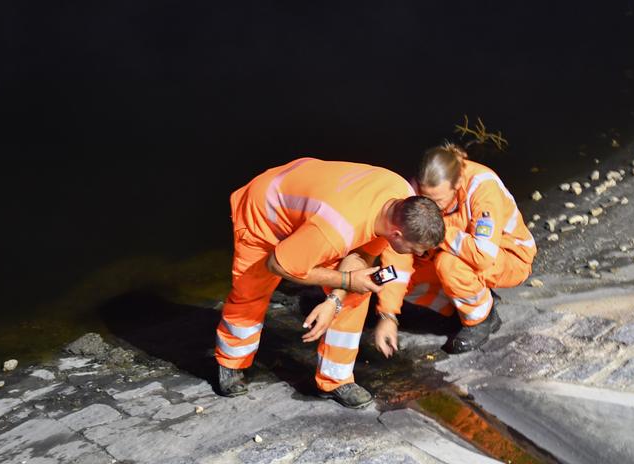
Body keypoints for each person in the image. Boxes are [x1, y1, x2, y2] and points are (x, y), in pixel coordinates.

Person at [215, 157, 445, 408]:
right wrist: (346, 279)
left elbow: (362, 255)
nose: (421, 256)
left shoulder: (400, 197)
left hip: (314, 207)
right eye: (418, 249)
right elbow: (277, 265)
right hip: (264, 211)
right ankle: (231, 362)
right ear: (397, 234)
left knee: (358, 292)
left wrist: (335, 299)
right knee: (251, 288)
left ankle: (335, 379)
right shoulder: (337, 228)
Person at [377, 143, 537, 354]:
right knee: (391, 278)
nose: (431, 208)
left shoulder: (482, 188)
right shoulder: (414, 192)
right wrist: (388, 314)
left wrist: (440, 232)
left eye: (438, 201)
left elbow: (482, 256)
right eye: (426, 200)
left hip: (509, 256)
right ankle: (459, 307)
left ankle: (480, 319)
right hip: (454, 250)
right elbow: (395, 254)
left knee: (449, 265)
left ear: (458, 183)